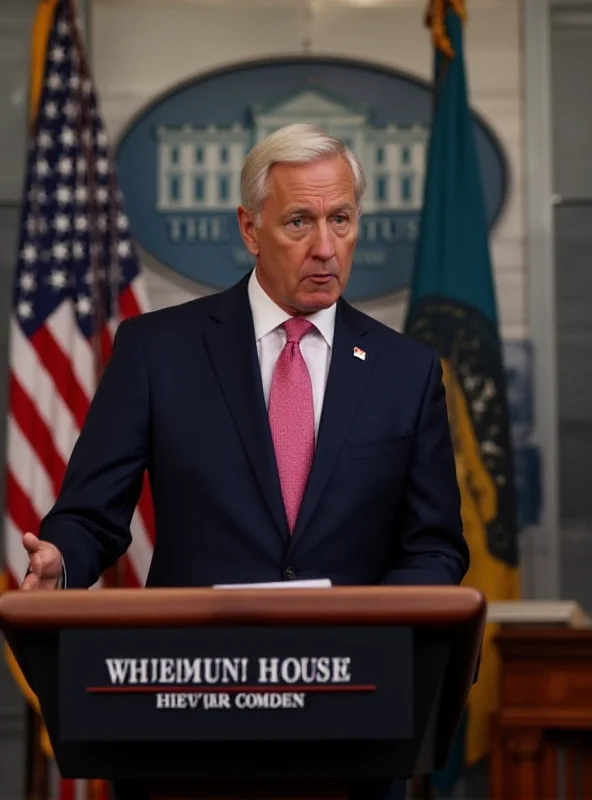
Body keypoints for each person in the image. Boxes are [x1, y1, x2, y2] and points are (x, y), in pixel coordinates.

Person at [21, 123, 469, 799]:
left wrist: (389, 626)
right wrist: (60, 559)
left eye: (340, 219)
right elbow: (91, 516)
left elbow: (433, 544)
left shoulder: (407, 372)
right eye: (299, 222)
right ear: (250, 227)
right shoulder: (156, 352)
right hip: (184, 725)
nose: (325, 247)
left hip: (353, 723)